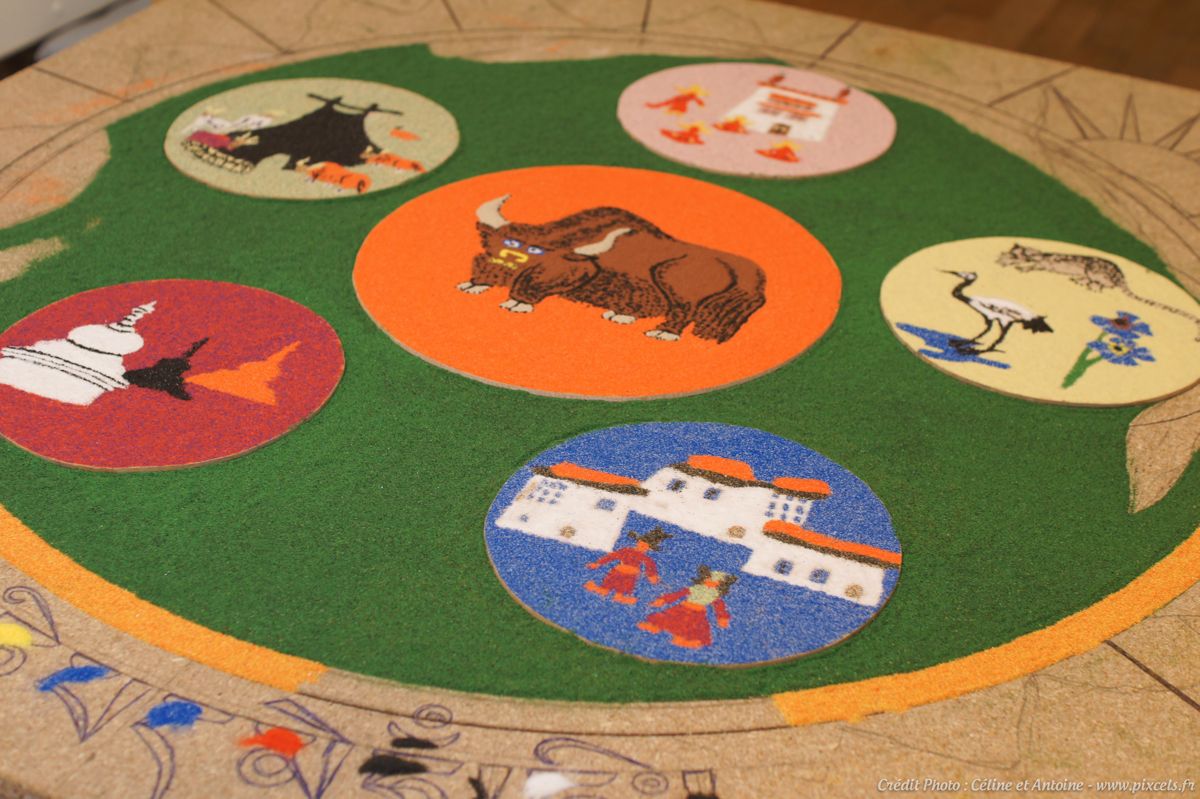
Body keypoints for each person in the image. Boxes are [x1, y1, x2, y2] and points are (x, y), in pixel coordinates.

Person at [638, 566, 737, 649]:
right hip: (683, 607)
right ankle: (655, 626)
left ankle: (684, 640)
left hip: (698, 612)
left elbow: (720, 608)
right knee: (669, 617)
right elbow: (678, 594)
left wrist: (722, 618)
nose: (710, 583)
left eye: (715, 582)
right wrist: (663, 600)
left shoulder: (715, 595)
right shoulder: (695, 588)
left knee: (692, 627)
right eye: (709, 580)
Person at [584, 528, 671, 605]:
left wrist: (652, 577)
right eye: (641, 544)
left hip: (630, 575)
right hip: (618, 571)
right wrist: (598, 563)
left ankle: (619, 596)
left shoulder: (646, 558)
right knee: (610, 582)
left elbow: (650, 567)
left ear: (649, 548)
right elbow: (612, 556)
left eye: (646, 547)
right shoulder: (627, 550)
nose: (643, 547)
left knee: (624, 587)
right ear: (638, 542)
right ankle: (603, 590)